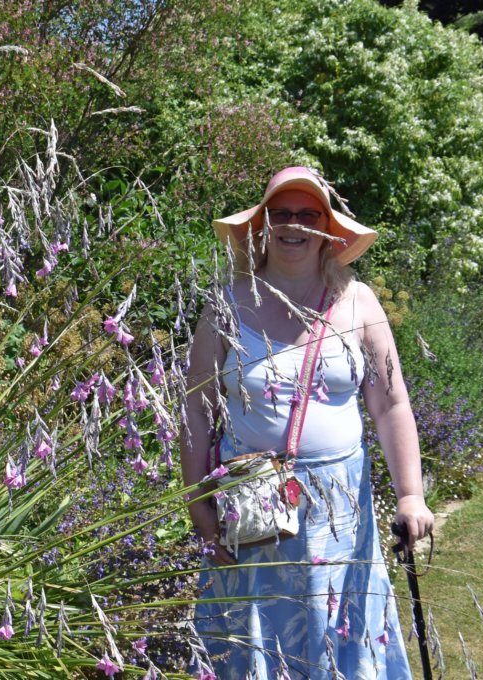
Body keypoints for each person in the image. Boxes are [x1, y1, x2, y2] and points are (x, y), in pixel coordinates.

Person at [179, 166, 434, 678]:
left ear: (327, 227)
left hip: (341, 507)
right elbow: (196, 409)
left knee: (337, 627)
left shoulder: (358, 302)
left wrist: (410, 495)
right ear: (262, 226)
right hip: (252, 503)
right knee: (253, 630)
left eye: (308, 215)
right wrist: (197, 503)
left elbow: (391, 405)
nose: (293, 224)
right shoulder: (226, 303)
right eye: (280, 213)